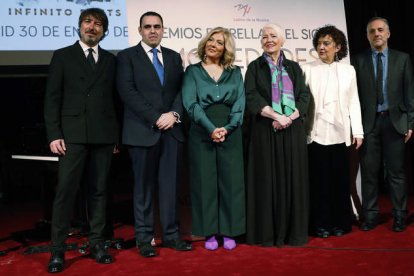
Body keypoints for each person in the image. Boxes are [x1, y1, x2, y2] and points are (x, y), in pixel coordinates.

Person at [43, 8, 118, 273]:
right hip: (71, 136)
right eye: (88, 22)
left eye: (98, 24)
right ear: (79, 26)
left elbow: (115, 101)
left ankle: (98, 244)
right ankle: (57, 251)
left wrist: (115, 137)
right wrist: (54, 134)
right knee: (65, 193)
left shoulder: (111, 60)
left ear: (103, 31)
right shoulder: (63, 56)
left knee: (98, 192)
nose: (92, 27)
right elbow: (52, 98)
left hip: (103, 136)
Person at [116, 11, 191, 257]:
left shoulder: (171, 57)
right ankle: (145, 238)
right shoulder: (127, 57)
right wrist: (156, 117)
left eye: (157, 26)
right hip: (142, 132)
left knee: (170, 187)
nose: (152, 30)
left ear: (163, 29)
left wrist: (174, 115)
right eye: (147, 26)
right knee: (143, 188)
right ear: (139, 30)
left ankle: (171, 235)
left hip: (172, 131)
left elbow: (183, 90)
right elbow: (127, 91)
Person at [245, 23, 310, 247]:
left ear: (282, 40)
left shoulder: (293, 68)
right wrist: (275, 116)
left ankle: (294, 234)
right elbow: (252, 98)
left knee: (294, 180)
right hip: (265, 131)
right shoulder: (254, 67)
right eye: (265, 37)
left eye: (273, 36)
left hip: (292, 131)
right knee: (267, 181)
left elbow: (304, 97)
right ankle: (268, 235)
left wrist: (288, 118)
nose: (269, 40)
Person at [182, 27, 245, 251]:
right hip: (201, 130)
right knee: (204, 183)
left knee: (231, 183)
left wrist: (227, 128)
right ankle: (209, 232)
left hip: (231, 132)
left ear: (225, 48)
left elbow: (240, 105)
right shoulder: (192, 71)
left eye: (219, 42)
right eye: (211, 40)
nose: (213, 44)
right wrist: (211, 128)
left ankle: (229, 231)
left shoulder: (235, 72)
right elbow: (191, 104)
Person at [352, 17, 414, 232]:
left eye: (380, 30)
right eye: (372, 31)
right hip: (369, 124)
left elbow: (410, 92)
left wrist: (410, 122)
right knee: (369, 173)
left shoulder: (402, 59)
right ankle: (370, 216)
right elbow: (354, 96)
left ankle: (399, 215)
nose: (376, 34)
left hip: (395, 122)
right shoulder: (358, 61)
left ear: (388, 33)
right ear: (367, 36)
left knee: (396, 173)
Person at [301, 25, 364, 238]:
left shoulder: (349, 70)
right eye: (319, 43)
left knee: (340, 181)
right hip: (315, 133)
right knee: (319, 182)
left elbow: (353, 101)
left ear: (337, 46)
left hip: (340, 134)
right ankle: (320, 224)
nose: (321, 47)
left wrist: (359, 131)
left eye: (326, 43)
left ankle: (341, 223)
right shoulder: (307, 69)